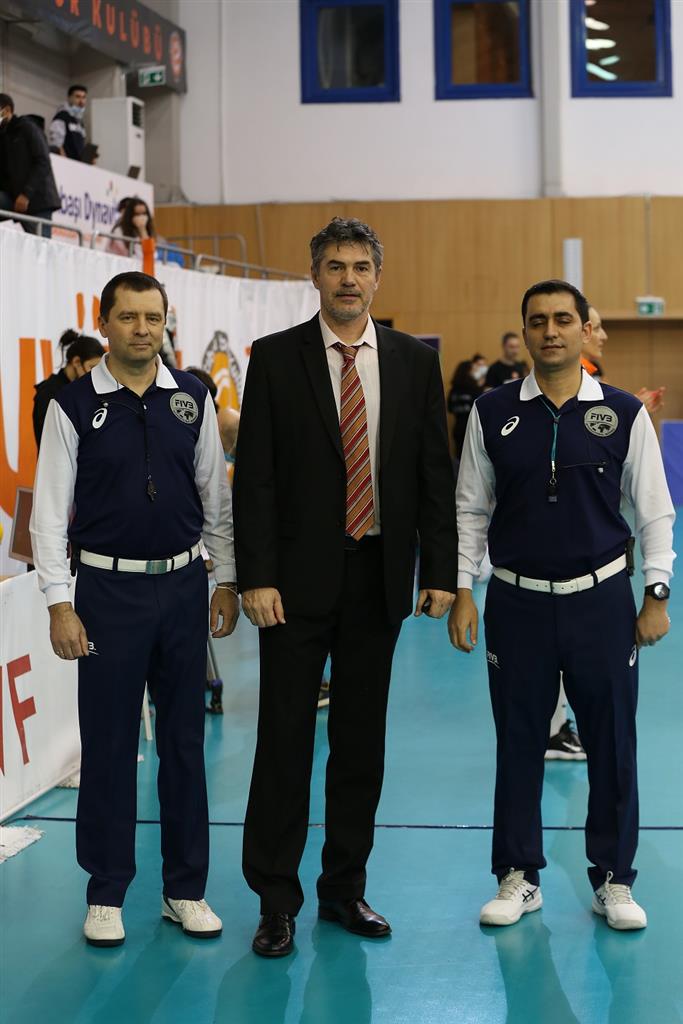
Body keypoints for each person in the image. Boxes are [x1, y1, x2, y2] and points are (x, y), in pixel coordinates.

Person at [233, 217, 458, 958]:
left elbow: (433, 473)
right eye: (335, 266)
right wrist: (256, 576)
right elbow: (256, 478)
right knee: (284, 743)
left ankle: (343, 889)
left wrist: (441, 572)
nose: (349, 279)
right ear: (315, 276)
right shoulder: (275, 358)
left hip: (378, 579)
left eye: (361, 266)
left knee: (360, 746)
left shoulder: (414, 362)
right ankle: (275, 900)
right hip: (292, 587)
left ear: (377, 277)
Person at [449, 278, 674, 931]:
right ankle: (517, 876)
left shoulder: (622, 413)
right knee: (518, 742)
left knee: (612, 743)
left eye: (562, 320)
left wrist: (656, 593)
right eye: (537, 321)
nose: (550, 331)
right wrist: (463, 589)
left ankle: (614, 879)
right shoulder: (491, 411)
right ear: (523, 332)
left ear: (582, 329)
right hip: (515, 603)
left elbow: (654, 511)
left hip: (602, 602)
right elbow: (470, 509)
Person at [29, 271, 239, 948]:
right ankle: (106, 891)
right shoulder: (72, 404)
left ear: (164, 322)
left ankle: (185, 889)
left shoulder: (192, 398)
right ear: (104, 323)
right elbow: (49, 514)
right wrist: (60, 604)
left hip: (182, 590)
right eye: (128, 317)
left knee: (184, 745)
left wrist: (227, 581)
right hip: (106, 594)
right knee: (111, 745)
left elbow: (215, 500)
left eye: (152, 317)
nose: (142, 329)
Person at [0, 93, 60, 236]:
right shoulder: (2, 137)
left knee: (41, 246)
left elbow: (43, 162)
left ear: (7, 110)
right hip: (13, 198)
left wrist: (26, 194)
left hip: (37, 199)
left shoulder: (28, 128)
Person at [33, 329, 105, 448]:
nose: (95, 375)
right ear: (76, 362)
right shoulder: (50, 393)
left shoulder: (83, 390)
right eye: (92, 368)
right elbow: (51, 442)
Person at [447, 354, 487, 459]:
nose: (475, 372)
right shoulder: (474, 389)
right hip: (472, 429)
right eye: (473, 369)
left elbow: (450, 408)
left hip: (458, 428)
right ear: (467, 372)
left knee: (459, 457)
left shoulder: (453, 390)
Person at [48, 84, 88, 161]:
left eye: (84, 97)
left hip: (79, 164)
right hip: (66, 163)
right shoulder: (62, 116)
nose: (81, 101)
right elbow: (56, 143)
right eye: (78, 97)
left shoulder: (80, 122)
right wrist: (64, 162)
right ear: (70, 98)